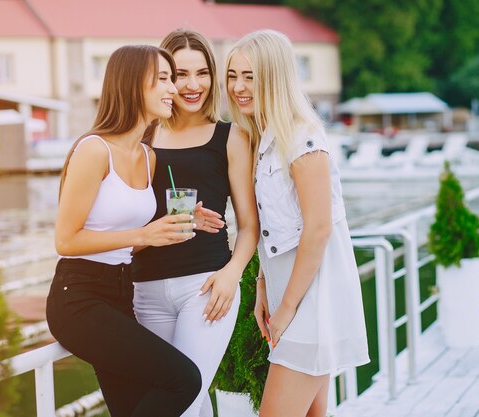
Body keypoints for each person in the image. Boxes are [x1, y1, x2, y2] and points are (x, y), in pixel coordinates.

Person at [46, 45, 208, 417]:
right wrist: (142, 235)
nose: (175, 89)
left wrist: (170, 229)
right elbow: (66, 241)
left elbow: (125, 244)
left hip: (121, 293)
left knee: (131, 407)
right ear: (134, 84)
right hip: (78, 298)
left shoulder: (148, 157)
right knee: (184, 379)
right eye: (164, 79)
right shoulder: (94, 150)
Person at [225, 30, 370, 417]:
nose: (238, 87)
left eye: (250, 76)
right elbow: (274, 230)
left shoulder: (302, 138)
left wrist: (286, 309)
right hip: (287, 293)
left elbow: (319, 228)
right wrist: (262, 287)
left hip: (312, 299)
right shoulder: (265, 137)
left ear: (274, 77)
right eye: (233, 75)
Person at [131, 29, 259, 417]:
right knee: (194, 403)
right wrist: (163, 226)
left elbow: (249, 226)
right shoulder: (142, 136)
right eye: (179, 74)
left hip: (205, 288)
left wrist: (232, 273)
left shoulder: (231, 136)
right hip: (145, 291)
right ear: (162, 78)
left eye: (202, 73)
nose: (191, 85)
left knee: (178, 402)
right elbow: (125, 227)